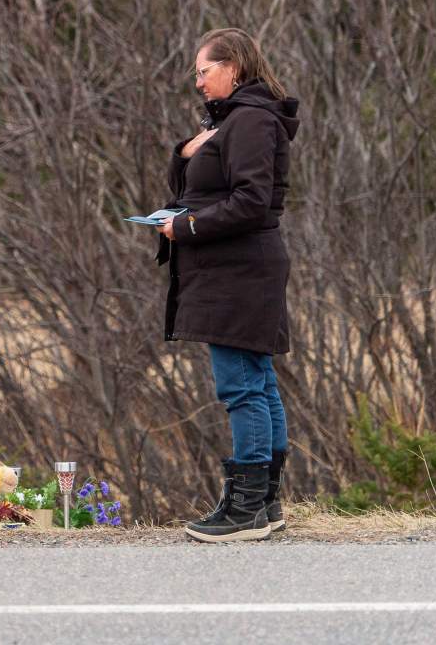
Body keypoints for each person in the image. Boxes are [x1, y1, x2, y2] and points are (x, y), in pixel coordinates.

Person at [155, 28, 300, 542]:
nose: (197, 81)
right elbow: (203, 188)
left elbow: (252, 201)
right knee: (257, 380)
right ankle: (264, 504)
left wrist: (187, 228)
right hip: (235, 269)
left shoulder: (253, 121)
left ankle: (245, 511)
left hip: (241, 270)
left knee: (242, 385)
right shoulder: (234, 122)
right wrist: (186, 152)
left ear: (233, 67)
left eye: (204, 70)